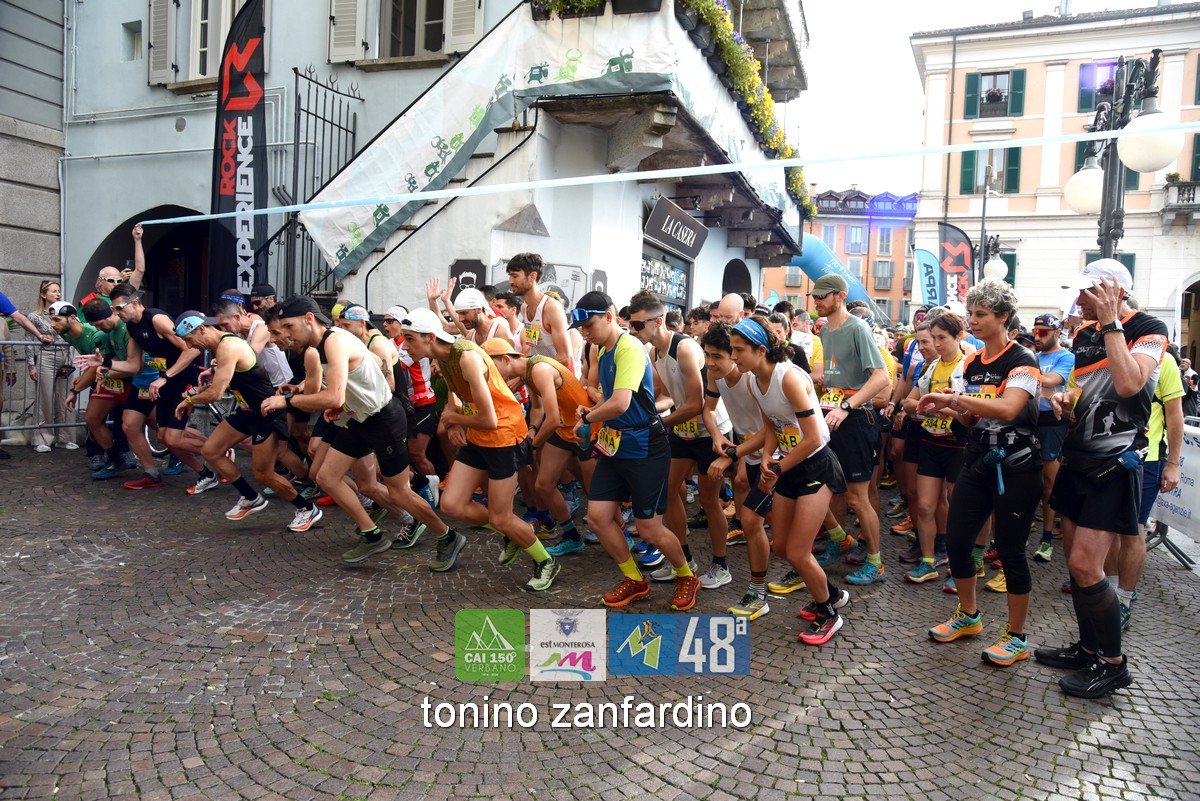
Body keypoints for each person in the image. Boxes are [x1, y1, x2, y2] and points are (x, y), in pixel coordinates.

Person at [1039, 261, 1168, 698]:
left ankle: (1113, 664)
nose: (1078, 301)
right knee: (1074, 563)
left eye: (1086, 292)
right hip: (1078, 458)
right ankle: (1088, 647)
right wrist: (1066, 399)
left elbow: (1130, 385)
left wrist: (1112, 322)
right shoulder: (1084, 333)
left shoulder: (1149, 328)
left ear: (1113, 292)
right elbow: (1085, 390)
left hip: (1115, 465)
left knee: (1085, 565)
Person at [266, 297, 454, 563]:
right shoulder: (320, 346)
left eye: (288, 326)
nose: (285, 334)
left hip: (384, 419)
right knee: (326, 476)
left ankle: (447, 535)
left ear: (309, 319)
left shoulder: (333, 341)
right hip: (359, 418)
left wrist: (287, 401)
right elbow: (369, 366)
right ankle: (372, 535)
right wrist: (347, 402)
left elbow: (334, 395)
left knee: (399, 491)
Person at [924, 280, 1042, 668]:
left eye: (981, 314)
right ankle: (969, 616)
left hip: (1017, 465)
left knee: (1009, 551)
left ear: (1003, 317)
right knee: (958, 542)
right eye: (970, 313)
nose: (972, 321)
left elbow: (1008, 409)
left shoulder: (1023, 359)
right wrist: (948, 410)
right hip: (978, 460)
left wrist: (954, 399)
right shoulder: (972, 362)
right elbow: (972, 417)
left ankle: (1016, 636)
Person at [400, 306, 559, 590]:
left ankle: (545, 560)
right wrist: (453, 420)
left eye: (410, 338)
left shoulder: (468, 358)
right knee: (451, 504)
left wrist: (454, 420)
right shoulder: (443, 357)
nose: (404, 345)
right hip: (479, 436)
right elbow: (455, 398)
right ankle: (511, 532)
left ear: (430, 337)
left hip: (504, 437)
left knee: (501, 516)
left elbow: (490, 419)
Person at [570, 292, 700, 611]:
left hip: (645, 446)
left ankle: (687, 575)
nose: (585, 333)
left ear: (609, 317)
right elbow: (611, 399)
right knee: (598, 518)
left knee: (649, 529)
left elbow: (621, 403)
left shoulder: (628, 347)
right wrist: (591, 409)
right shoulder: (604, 349)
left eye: (589, 325)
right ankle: (634, 579)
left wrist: (588, 417)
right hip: (615, 444)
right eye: (581, 328)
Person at [733, 315, 850, 644]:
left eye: (738, 350)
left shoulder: (789, 378)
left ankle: (828, 613)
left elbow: (812, 438)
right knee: (782, 546)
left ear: (760, 350)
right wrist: (767, 455)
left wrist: (779, 467)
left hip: (816, 466)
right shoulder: (753, 380)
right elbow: (772, 425)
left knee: (798, 551)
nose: (732, 356)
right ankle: (832, 593)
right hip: (788, 465)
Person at [173, 312, 322, 531]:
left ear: (202, 329)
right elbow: (228, 378)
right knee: (210, 450)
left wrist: (188, 400)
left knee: (263, 474)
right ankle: (250, 497)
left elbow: (216, 394)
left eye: (189, 339)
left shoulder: (228, 346)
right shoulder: (219, 347)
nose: (189, 345)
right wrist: (208, 379)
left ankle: (307, 508)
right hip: (247, 410)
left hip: (266, 413)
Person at [629, 290, 734, 589]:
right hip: (681, 429)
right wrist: (649, 412)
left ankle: (721, 564)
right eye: (631, 325)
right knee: (669, 491)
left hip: (711, 431)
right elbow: (666, 396)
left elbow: (696, 404)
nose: (633, 330)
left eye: (638, 325)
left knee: (709, 500)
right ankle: (684, 561)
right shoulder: (654, 353)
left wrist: (657, 424)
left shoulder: (684, 348)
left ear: (658, 321)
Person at [810, 274, 891, 585]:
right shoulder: (824, 330)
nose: (816, 301)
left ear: (840, 296)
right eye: (815, 296)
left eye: (822, 296)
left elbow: (881, 377)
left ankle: (876, 562)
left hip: (856, 419)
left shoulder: (857, 328)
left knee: (858, 498)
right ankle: (839, 540)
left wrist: (847, 405)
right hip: (831, 417)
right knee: (827, 489)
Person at [485, 338, 594, 556]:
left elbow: (551, 418)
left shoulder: (539, 369)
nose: (493, 377)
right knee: (543, 485)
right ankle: (572, 536)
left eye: (493, 370)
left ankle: (622, 535)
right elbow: (538, 409)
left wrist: (532, 446)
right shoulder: (527, 373)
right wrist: (533, 429)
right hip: (564, 428)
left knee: (596, 491)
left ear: (506, 359)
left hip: (585, 428)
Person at [97, 284, 212, 491]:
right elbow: (134, 365)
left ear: (134, 303)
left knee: (173, 438)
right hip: (167, 380)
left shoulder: (156, 319)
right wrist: (105, 364)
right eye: (113, 309)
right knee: (163, 438)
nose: (116, 313)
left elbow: (192, 350)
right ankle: (206, 473)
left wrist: (165, 377)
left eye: (119, 308)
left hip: (183, 377)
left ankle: (219, 453)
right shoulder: (131, 327)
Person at [700, 322, 774, 619]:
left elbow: (770, 429)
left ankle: (823, 588)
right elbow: (708, 409)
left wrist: (732, 456)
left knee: (778, 536)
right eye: (707, 354)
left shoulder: (750, 379)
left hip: (776, 455)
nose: (710, 362)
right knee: (756, 523)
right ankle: (759, 592)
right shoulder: (715, 375)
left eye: (717, 356)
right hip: (752, 453)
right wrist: (717, 436)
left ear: (734, 355)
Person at [1106, 345, 1183, 631]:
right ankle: (1109, 594)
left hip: (1144, 459)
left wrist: (1173, 464)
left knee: (1133, 529)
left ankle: (1123, 600)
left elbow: (1174, 414)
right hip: (1105, 455)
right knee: (1107, 527)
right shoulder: (1107, 350)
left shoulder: (1164, 359)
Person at [899, 312, 968, 583]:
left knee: (959, 509)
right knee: (925, 506)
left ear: (958, 337)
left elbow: (971, 412)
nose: (937, 344)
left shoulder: (966, 365)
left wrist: (943, 408)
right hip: (931, 441)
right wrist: (926, 407)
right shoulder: (931, 367)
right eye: (934, 338)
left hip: (958, 444)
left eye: (942, 338)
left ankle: (959, 566)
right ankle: (928, 562)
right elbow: (908, 401)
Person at [1030, 313, 1074, 563]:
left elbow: (1051, 380)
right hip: (1030, 420)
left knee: (1049, 483)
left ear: (1057, 333)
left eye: (1043, 332)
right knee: (1026, 480)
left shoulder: (1066, 357)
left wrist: (1022, 370)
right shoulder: (1032, 356)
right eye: (1035, 331)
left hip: (1052, 422)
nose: (1037, 336)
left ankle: (1046, 538)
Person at [25, 281, 76, 452]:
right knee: (44, 398)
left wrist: (70, 361)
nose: (57, 294)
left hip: (64, 355)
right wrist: (31, 366)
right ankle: (42, 439)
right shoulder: (35, 316)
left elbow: (71, 338)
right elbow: (29, 342)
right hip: (46, 355)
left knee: (65, 396)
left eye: (59, 291)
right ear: (43, 294)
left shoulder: (66, 314)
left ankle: (65, 438)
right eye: (53, 291)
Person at [507, 253, 573, 370]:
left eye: (514, 276)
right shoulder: (524, 308)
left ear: (532, 276)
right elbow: (534, 346)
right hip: (539, 375)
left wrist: (529, 368)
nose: (510, 281)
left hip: (559, 378)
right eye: (509, 276)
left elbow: (564, 358)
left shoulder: (551, 308)